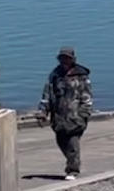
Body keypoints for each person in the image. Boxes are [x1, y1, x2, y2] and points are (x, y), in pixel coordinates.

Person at [38, 47, 93, 180]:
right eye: (62, 58)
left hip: (76, 116)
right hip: (59, 116)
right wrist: (43, 112)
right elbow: (47, 95)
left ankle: (73, 170)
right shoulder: (55, 75)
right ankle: (72, 161)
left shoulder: (81, 76)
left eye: (67, 58)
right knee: (61, 141)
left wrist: (84, 113)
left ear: (72, 59)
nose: (64, 61)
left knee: (72, 143)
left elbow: (87, 96)